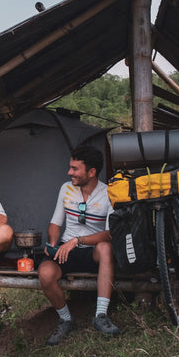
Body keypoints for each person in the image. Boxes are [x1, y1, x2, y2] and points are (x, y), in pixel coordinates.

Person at [39, 145, 119, 346]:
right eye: (70, 167)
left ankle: (101, 315)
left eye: (75, 169)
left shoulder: (109, 193)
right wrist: (53, 243)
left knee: (106, 248)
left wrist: (78, 240)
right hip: (67, 249)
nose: (69, 172)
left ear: (91, 172)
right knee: (45, 273)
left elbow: (109, 234)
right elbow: (55, 223)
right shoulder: (66, 188)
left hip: (92, 251)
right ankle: (66, 319)